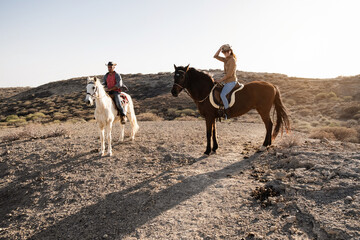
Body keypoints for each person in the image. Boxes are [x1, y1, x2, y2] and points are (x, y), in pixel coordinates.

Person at [213, 44, 238, 119]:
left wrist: (220, 80)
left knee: (223, 95)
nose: (225, 54)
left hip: (231, 81)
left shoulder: (232, 60)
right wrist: (220, 48)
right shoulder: (225, 59)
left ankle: (228, 112)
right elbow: (215, 56)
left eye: (226, 52)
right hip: (226, 81)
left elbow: (229, 75)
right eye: (223, 52)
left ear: (230, 51)